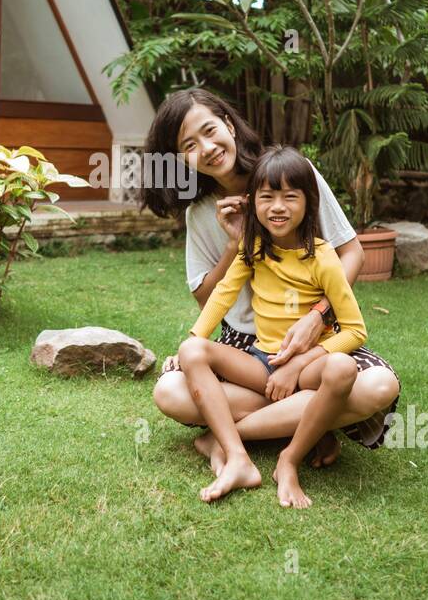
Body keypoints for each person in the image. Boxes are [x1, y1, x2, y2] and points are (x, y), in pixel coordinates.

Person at [142, 88, 400, 485]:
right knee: (170, 393)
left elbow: (352, 253)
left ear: (229, 124)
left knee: (377, 386)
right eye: (189, 146)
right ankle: (311, 421)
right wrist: (234, 244)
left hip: (313, 341)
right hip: (246, 347)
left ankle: (226, 437)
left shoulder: (294, 175)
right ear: (180, 159)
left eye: (210, 131)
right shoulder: (200, 214)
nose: (207, 148)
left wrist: (318, 315)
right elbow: (209, 299)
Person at [181, 145, 370, 507]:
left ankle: (289, 458)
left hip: (308, 367)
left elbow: (355, 330)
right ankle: (237, 456)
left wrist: (298, 363)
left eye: (290, 197)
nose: (278, 207)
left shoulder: (324, 258)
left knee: (344, 369)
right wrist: (195, 338)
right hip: (261, 361)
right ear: (253, 202)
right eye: (267, 197)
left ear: (308, 202)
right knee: (192, 351)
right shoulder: (251, 247)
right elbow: (221, 295)